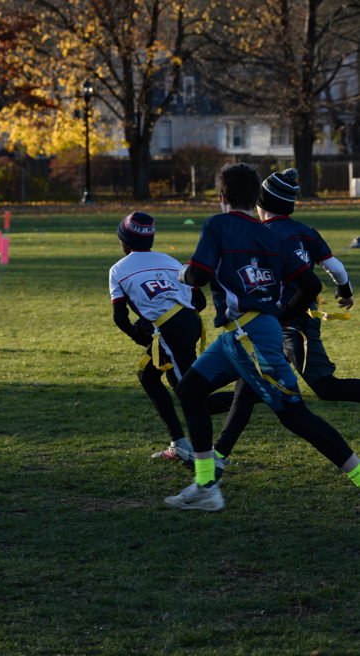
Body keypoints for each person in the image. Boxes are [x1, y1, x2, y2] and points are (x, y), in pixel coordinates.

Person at [165, 163, 360, 511]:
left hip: (251, 336)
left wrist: (180, 272)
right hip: (237, 335)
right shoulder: (271, 236)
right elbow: (311, 284)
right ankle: (206, 483)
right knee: (189, 391)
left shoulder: (218, 224)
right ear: (255, 196)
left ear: (222, 196)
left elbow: (198, 276)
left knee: (296, 417)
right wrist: (280, 315)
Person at [213, 167, 360, 466]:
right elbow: (336, 269)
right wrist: (345, 291)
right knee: (248, 386)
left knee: (325, 387)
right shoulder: (307, 231)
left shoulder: (257, 234)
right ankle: (217, 454)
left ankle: (211, 443)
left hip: (287, 325)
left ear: (261, 202)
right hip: (293, 321)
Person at [109, 211, 233, 466]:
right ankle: (179, 443)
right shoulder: (170, 260)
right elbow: (199, 300)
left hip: (170, 330)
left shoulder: (118, 269)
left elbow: (120, 318)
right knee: (148, 376)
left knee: (191, 396)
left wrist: (138, 334)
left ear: (124, 241)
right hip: (187, 322)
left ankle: (251, 395)